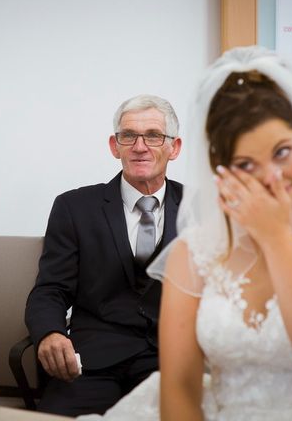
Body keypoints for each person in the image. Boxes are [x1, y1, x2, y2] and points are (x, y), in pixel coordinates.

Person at [79, 47, 292, 421]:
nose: (270, 176)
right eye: (246, 163)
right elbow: (179, 387)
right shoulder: (194, 252)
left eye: (282, 152)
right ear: (220, 168)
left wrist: (277, 240)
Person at [25, 95, 183, 416]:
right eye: (128, 136)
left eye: (153, 135)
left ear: (174, 147)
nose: (140, 146)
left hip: (171, 360)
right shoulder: (74, 207)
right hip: (92, 362)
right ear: (115, 146)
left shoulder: (202, 208)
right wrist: (51, 333)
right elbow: (50, 289)